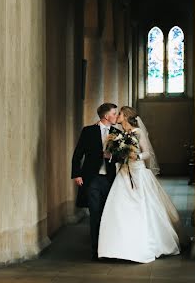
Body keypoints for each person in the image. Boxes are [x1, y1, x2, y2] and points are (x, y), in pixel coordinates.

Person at [97, 106, 181, 263]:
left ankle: (144, 244)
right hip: (123, 174)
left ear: (126, 116)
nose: (118, 116)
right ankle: (118, 247)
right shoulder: (120, 134)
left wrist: (137, 156)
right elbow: (114, 149)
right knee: (119, 208)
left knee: (144, 207)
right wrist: (116, 154)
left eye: (120, 114)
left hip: (138, 173)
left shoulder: (138, 132)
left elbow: (148, 152)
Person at [70, 102, 118, 261]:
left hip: (110, 180)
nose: (116, 116)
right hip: (92, 180)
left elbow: (122, 155)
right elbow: (78, 154)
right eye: (114, 114)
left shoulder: (117, 132)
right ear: (106, 116)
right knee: (95, 215)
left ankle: (108, 248)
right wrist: (77, 174)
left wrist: (110, 156)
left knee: (108, 215)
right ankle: (96, 251)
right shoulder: (88, 131)